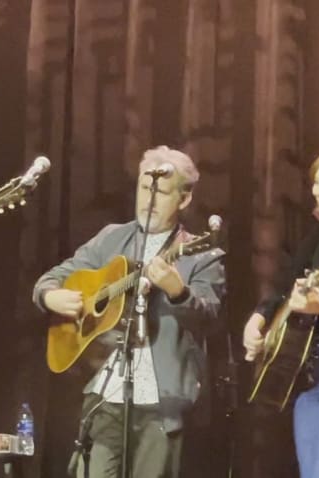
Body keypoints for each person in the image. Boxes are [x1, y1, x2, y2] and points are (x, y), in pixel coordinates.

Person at [33, 146, 226, 478]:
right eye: (143, 188)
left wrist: (177, 290)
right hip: (106, 394)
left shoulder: (202, 254)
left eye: (161, 192)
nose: (148, 200)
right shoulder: (111, 238)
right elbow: (51, 279)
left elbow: (209, 316)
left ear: (184, 199)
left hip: (161, 403)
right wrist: (51, 296)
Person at [243, 143, 319, 478]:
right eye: (316, 182)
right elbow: (285, 286)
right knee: (311, 470)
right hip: (304, 371)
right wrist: (258, 320)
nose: (316, 190)